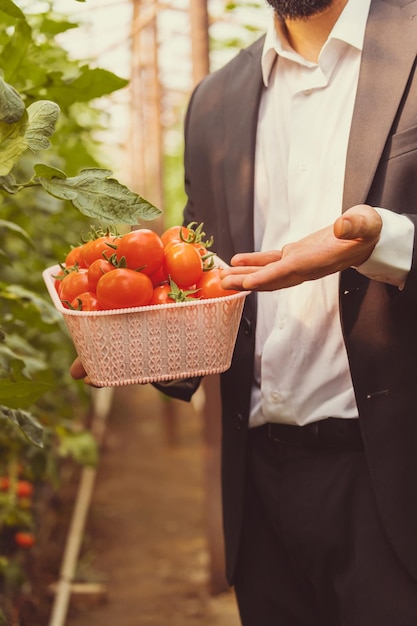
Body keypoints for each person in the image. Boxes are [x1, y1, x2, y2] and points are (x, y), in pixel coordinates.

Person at [72, 0, 417, 623]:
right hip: (260, 498)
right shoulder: (215, 101)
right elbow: (205, 284)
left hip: (394, 480)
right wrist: (136, 337)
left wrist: (387, 243)